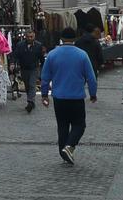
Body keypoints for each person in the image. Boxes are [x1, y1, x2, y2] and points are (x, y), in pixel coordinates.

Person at [40, 28, 98, 165]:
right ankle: (69, 146)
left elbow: (44, 77)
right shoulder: (82, 55)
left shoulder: (52, 55)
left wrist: (44, 95)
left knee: (62, 126)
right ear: (75, 38)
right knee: (79, 124)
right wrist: (93, 94)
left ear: (61, 37)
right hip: (76, 97)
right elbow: (91, 78)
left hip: (59, 98)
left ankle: (63, 152)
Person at [11, 29, 46, 112]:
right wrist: (12, 63)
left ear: (34, 36)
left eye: (32, 37)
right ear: (25, 37)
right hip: (24, 68)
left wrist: (43, 69)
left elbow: (41, 58)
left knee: (32, 84)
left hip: (34, 68)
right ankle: (31, 101)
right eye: (28, 37)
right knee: (27, 86)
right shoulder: (20, 45)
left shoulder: (38, 45)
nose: (30, 38)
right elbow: (15, 55)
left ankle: (30, 102)